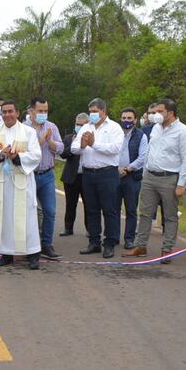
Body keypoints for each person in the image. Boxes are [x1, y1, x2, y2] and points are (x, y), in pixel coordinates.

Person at [125, 99, 186, 262]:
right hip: (150, 176)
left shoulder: (183, 132)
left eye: (159, 112)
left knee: (170, 215)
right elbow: (150, 150)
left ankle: (167, 249)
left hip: (169, 177)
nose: (155, 115)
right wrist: (145, 172)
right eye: (154, 112)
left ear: (170, 113)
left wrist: (181, 183)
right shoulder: (156, 128)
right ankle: (140, 245)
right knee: (145, 213)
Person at [0, 100, 42, 269]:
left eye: (10, 111)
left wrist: (17, 157)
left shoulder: (28, 132)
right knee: (3, 217)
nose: (7, 115)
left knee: (26, 216)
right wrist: (0, 154)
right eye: (4, 112)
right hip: (1, 183)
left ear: (17, 113)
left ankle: (33, 254)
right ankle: (5, 253)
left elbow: (36, 155)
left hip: (21, 181)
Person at [70, 98, 124, 259]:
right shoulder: (86, 127)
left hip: (107, 174)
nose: (92, 115)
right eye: (91, 112)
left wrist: (93, 144)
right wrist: (82, 145)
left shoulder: (114, 128)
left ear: (103, 111)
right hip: (88, 173)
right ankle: (94, 242)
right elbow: (73, 148)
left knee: (110, 209)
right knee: (91, 209)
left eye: (95, 111)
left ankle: (109, 243)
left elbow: (115, 149)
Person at [25, 96, 64, 259]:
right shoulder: (24, 128)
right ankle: (30, 245)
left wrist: (51, 141)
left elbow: (61, 148)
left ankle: (46, 244)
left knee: (50, 211)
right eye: (40, 111)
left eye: (46, 111)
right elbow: (26, 149)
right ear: (31, 111)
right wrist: (42, 140)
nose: (43, 114)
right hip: (29, 176)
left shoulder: (51, 127)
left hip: (47, 174)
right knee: (30, 211)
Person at [117, 107, 148, 249]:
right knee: (113, 209)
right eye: (124, 118)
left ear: (135, 120)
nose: (126, 121)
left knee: (131, 210)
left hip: (131, 177)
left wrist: (128, 169)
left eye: (129, 118)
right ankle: (113, 237)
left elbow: (142, 157)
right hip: (114, 175)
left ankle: (129, 239)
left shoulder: (141, 135)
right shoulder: (115, 133)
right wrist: (116, 169)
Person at [60, 113, 89, 237]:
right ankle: (68, 228)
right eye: (77, 124)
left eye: (82, 125)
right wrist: (72, 145)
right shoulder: (68, 138)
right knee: (70, 204)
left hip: (86, 177)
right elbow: (62, 154)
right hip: (71, 176)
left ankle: (90, 230)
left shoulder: (92, 139)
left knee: (89, 205)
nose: (79, 126)